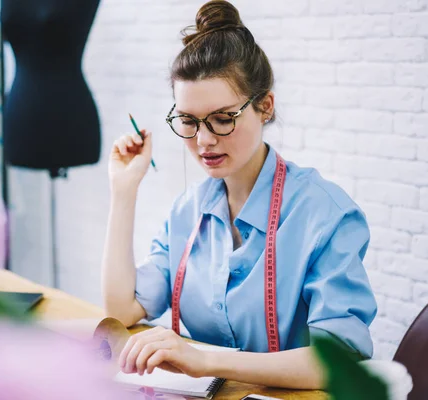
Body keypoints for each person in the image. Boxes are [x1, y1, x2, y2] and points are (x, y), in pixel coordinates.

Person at [101, 0, 377, 390]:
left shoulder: (324, 215)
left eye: (222, 119)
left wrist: (205, 359)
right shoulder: (188, 211)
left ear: (265, 106)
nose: (204, 141)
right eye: (188, 121)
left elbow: (339, 358)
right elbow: (122, 308)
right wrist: (123, 189)